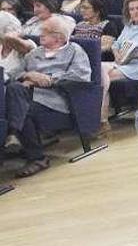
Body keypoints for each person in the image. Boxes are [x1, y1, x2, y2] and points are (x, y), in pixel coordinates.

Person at [5, 16, 92, 177]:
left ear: (58, 36)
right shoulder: (34, 53)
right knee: (14, 88)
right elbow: (13, 73)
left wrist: (49, 79)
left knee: (23, 109)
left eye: (45, 31)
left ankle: (37, 157)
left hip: (56, 98)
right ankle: (14, 135)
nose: (40, 34)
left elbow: (81, 76)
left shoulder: (74, 51)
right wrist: (28, 74)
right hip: (27, 96)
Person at [0, 11, 36, 152]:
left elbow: (14, 41)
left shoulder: (26, 45)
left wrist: (10, 34)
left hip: (19, 89)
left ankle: (12, 135)